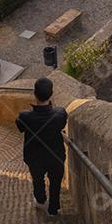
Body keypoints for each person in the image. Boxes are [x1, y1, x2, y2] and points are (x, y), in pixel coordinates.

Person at [16, 78, 68, 216]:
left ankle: (40, 200)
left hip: (34, 157)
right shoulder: (59, 114)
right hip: (55, 155)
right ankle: (54, 208)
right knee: (55, 182)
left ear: (34, 93)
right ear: (51, 94)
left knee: (37, 180)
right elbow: (62, 124)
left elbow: (20, 128)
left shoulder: (24, 116)